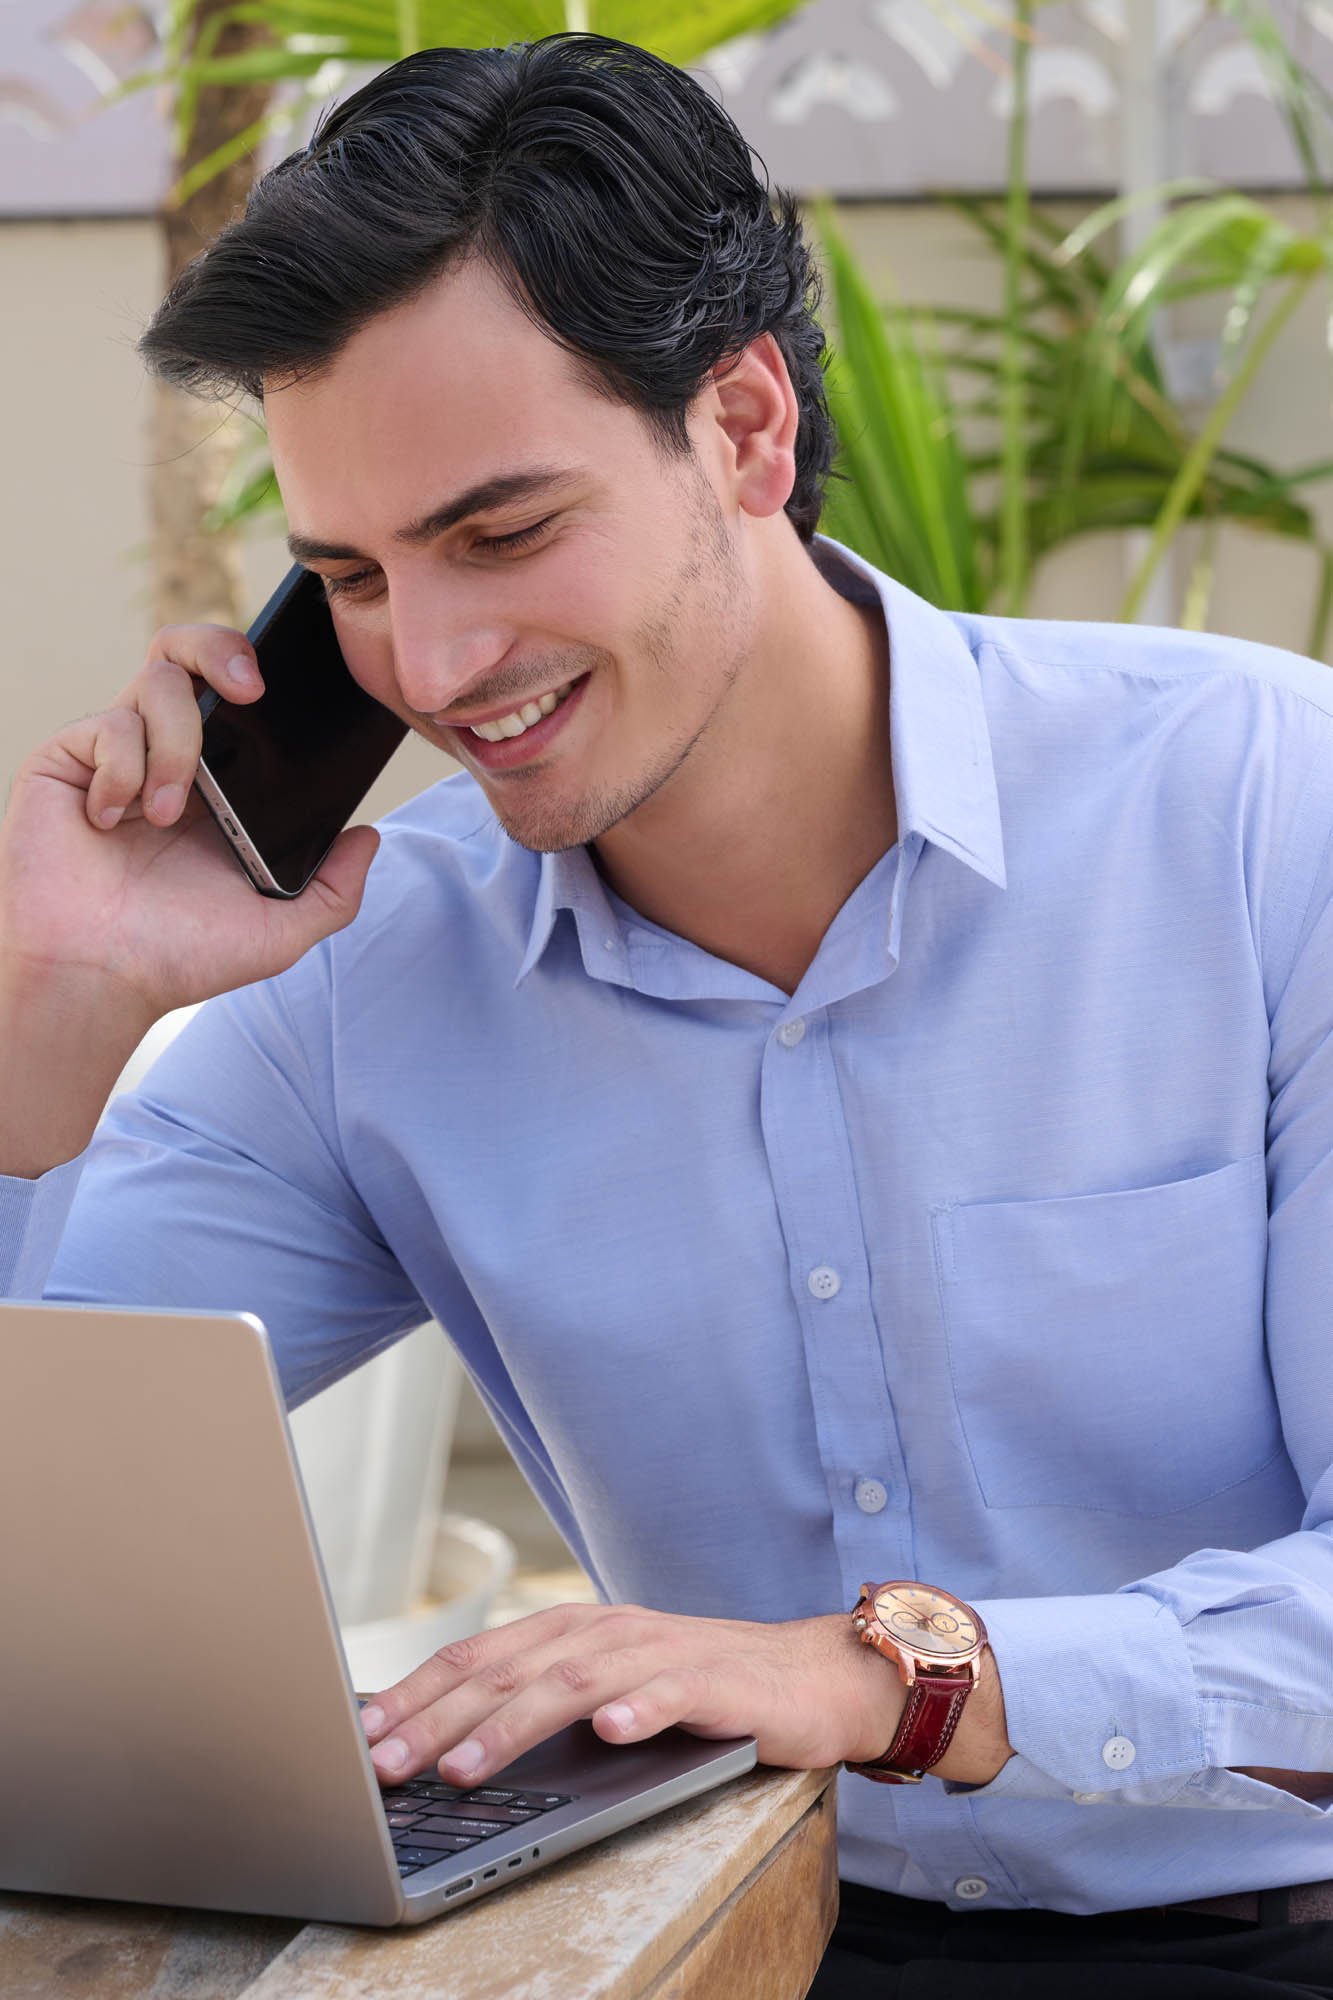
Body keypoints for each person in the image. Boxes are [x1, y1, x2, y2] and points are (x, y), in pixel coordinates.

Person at [4, 32, 1333, 1995]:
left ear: (742, 427)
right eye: (350, 575)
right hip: (747, 1943)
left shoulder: (1254, 808)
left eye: (502, 531)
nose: (436, 662)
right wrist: (56, 1013)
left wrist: (868, 1677)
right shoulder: (369, 976)